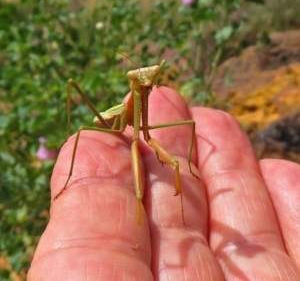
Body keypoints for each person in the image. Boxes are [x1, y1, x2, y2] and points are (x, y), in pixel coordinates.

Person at [28, 86, 300, 280]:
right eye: (144, 84)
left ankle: (181, 201)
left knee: (186, 133)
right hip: (107, 126)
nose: (149, 85)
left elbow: (145, 133)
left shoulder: (145, 100)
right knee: (135, 190)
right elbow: (136, 135)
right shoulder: (125, 109)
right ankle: (133, 234)